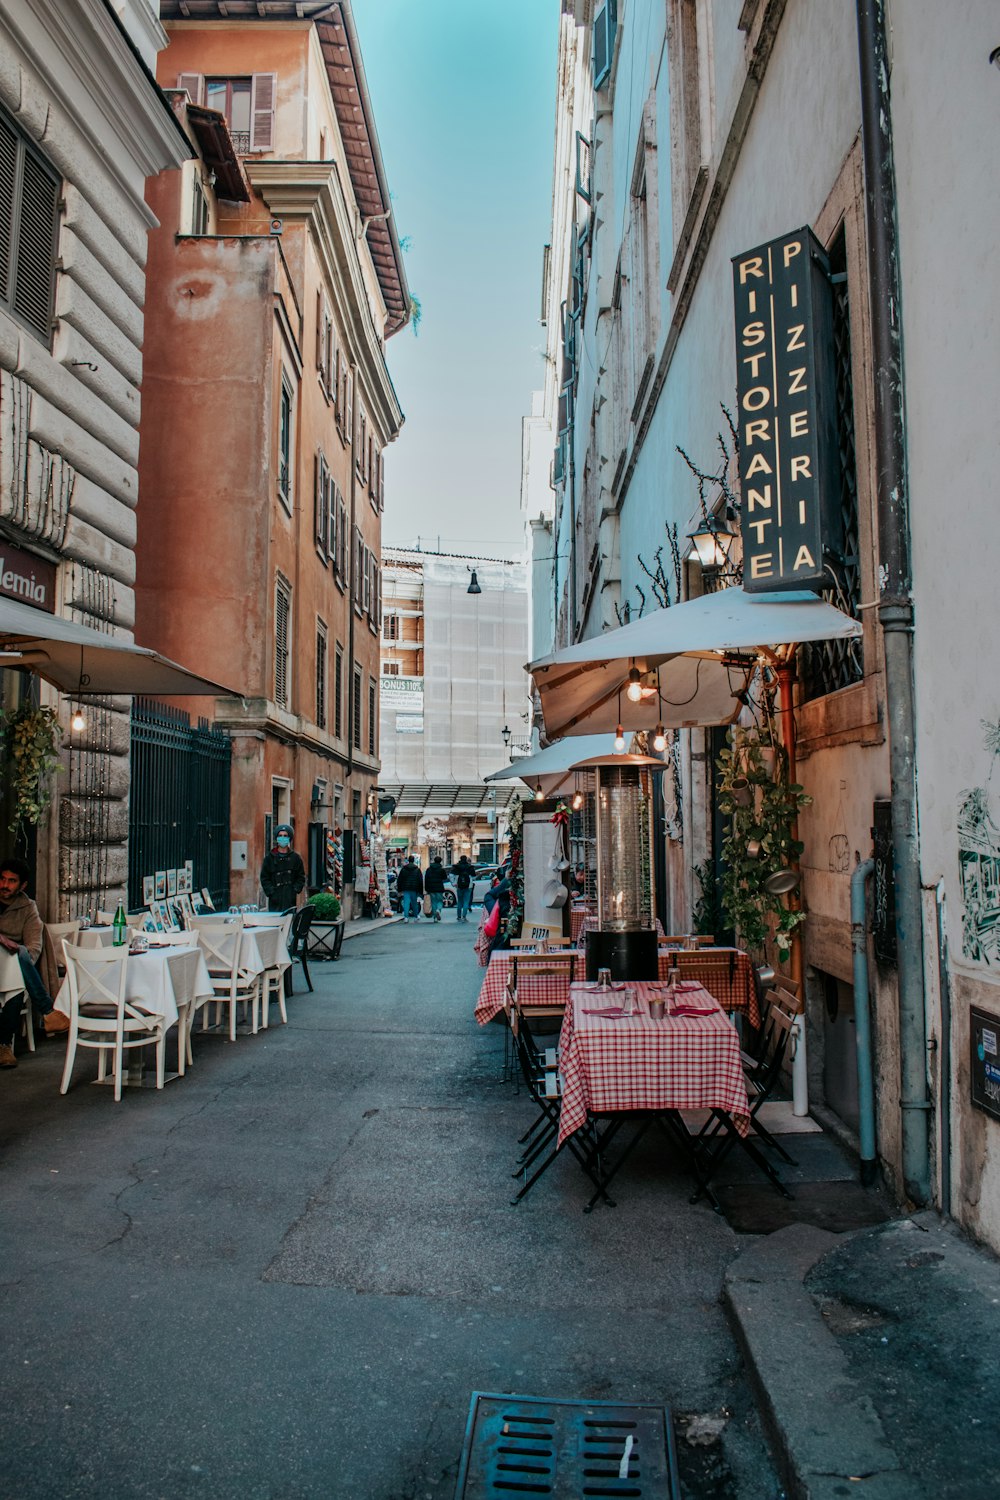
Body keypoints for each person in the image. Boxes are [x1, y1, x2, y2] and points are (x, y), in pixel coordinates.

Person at [0, 858, 53, 1069]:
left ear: (22, 886)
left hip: (12, 968)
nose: (5, 885)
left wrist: (8, 946)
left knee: (17, 974)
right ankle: (48, 1012)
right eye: (2, 879)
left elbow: (32, 952)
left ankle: (3, 1046)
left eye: (11, 881)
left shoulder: (28, 909)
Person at [259, 824, 306, 912]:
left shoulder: (295, 858)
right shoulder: (269, 858)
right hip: (275, 900)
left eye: (285, 836)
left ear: (289, 838)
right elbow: (264, 878)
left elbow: (301, 877)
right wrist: (271, 893)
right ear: (276, 838)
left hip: (290, 900)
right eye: (280, 836)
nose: (282, 838)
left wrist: (294, 890)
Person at [395, 855, 423, 922]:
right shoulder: (417, 869)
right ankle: (416, 916)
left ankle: (406, 917)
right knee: (414, 903)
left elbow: (400, 879)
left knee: (406, 903)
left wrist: (399, 889)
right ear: (413, 860)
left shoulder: (404, 869)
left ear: (408, 860)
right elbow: (420, 880)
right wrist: (420, 891)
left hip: (406, 888)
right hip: (414, 888)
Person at [451, 854, 474, 923]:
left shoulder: (456, 867)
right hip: (468, 886)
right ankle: (464, 916)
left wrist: (453, 883)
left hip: (459, 886)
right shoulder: (469, 867)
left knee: (460, 901)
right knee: (466, 901)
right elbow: (474, 876)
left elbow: (451, 875)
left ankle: (458, 916)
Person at [423, 856, 447, 922]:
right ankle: (438, 910)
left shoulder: (429, 869)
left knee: (433, 902)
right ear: (440, 861)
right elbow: (445, 877)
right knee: (439, 901)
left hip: (431, 888)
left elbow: (426, 879)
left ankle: (435, 917)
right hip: (439, 887)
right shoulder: (441, 869)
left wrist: (427, 888)